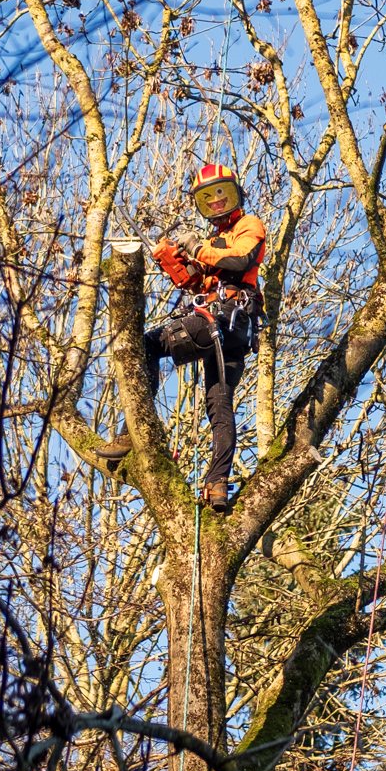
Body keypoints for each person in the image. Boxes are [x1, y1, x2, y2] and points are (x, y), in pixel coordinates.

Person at [98, 162, 266, 510]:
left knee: (146, 345)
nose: (218, 204)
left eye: (223, 195)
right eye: (210, 198)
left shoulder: (248, 226)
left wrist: (198, 250)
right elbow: (198, 281)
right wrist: (176, 261)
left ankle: (134, 431)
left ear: (235, 195)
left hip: (223, 320)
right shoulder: (213, 242)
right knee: (219, 406)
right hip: (227, 329)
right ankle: (217, 485)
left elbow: (240, 260)